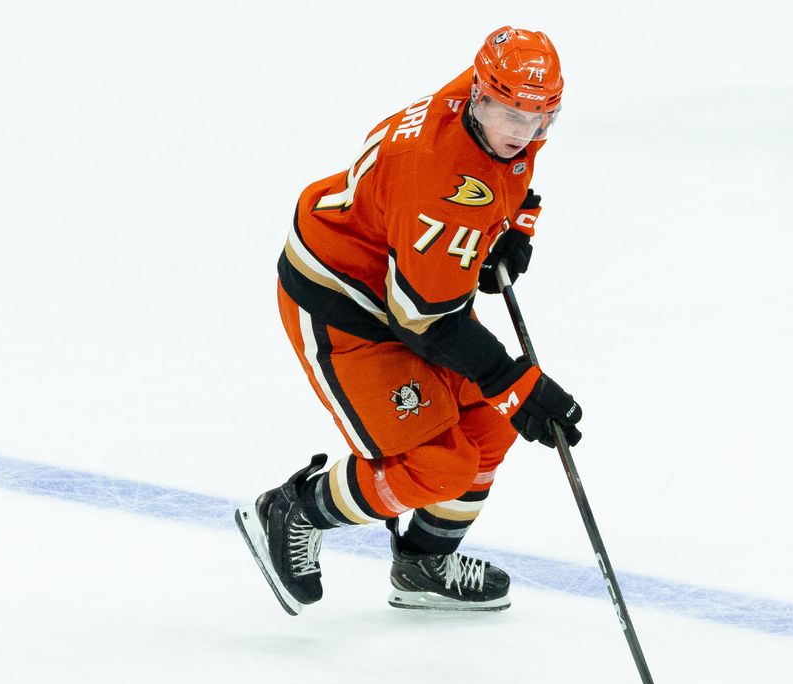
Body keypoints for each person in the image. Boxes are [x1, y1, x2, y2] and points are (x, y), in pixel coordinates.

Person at [235, 26, 583, 615]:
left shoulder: (496, 104)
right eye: (513, 117)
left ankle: (422, 565)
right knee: (437, 466)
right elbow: (424, 322)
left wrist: (515, 223)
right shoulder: (437, 180)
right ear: (479, 95)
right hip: (344, 303)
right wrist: (515, 382)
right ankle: (294, 510)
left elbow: (507, 173)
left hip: (405, 277)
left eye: (540, 119)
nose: (525, 133)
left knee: (490, 424)